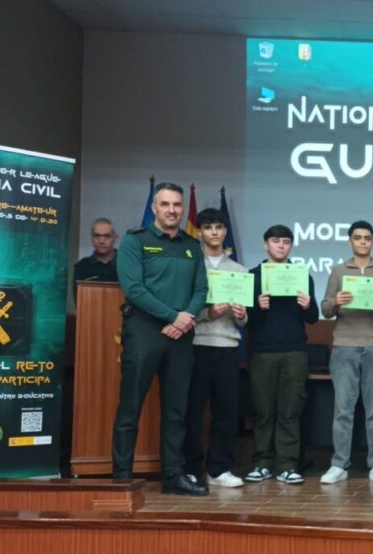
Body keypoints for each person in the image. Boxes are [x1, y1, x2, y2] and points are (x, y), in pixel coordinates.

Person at [112, 182, 208, 495]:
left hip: (181, 336)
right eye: (165, 204)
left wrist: (184, 319)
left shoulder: (192, 245)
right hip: (143, 332)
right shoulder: (134, 241)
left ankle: (173, 476)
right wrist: (173, 316)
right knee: (131, 407)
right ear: (154, 208)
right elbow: (134, 290)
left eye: (177, 205)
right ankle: (122, 477)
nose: (172, 210)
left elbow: (201, 290)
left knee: (176, 410)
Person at [319, 220, 373, 484]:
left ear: (372, 241)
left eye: (367, 238)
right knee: (343, 408)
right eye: (357, 238)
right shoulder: (339, 270)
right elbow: (325, 309)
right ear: (350, 241)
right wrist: (335, 301)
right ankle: (339, 464)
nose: (362, 242)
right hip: (344, 344)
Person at [245, 225, 320, 485]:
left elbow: (313, 318)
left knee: (290, 410)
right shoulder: (253, 275)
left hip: (294, 351)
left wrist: (308, 305)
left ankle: (288, 464)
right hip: (263, 351)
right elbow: (245, 320)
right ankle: (262, 462)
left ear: (291, 246)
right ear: (266, 244)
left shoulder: (301, 275)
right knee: (264, 410)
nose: (281, 246)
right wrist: (257, 306)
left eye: (286, 242)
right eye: (276, 241)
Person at [182, 208, 248, 488]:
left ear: (224, 232)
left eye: (219, 227)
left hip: (226, 347)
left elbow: (245, 321)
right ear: (199, 231)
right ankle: (192, 468)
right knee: (192, 412)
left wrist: (242, 314)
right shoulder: (190, 265)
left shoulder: (239, 271)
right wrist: (208, 313)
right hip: (196, 346)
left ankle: (220, 469)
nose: (214, 232)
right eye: (208, 227)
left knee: (226, 411)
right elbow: (181, 310)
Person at [74, 218, 118, 291]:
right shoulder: (81, 267)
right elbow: (78, 300)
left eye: (106, 236)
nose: (101, 241)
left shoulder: (127, 264)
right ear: (92, 239)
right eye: (97, 236)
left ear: (115, 238)